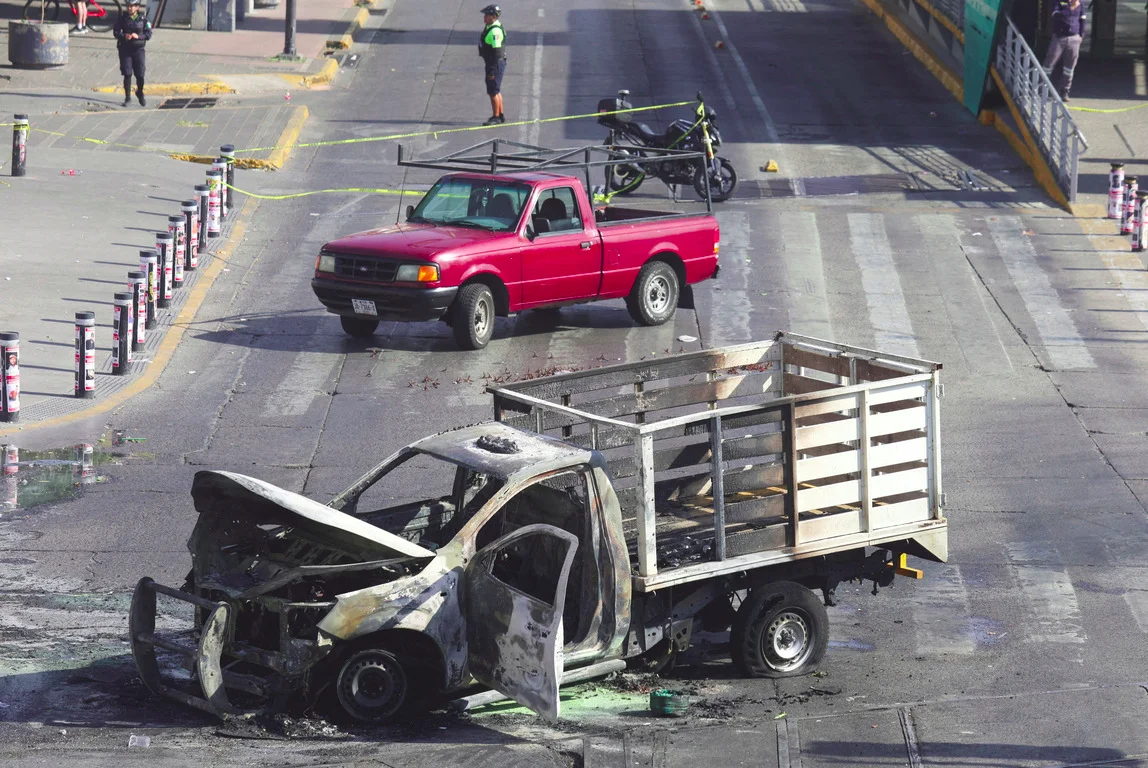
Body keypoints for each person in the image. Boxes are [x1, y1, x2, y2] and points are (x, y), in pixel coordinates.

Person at [1042, 0, 1086, 103]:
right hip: (1059, 38)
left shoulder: (1081, 3)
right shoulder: (1058, 2)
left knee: (1069, 68)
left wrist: (1081, 35)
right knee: (1048, 65)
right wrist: (1071, 7)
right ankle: (1042, 90)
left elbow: (1082, 19)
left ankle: (1065, 92)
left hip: (1074, 39)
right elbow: (1057, 16)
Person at [114, 0, 152, 107]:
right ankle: (127, 98)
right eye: (128, 6)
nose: (130, 8)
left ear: (137, 7)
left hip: (138, 50)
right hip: (125, 49)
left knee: (140, 74)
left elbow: (148, 34)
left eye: (132, 6)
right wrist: (123, 36)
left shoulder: (143, 19)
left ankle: (140, 92)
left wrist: (139, 36)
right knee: (127, 73)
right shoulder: (122, 18)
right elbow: (116, 32)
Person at [478, 4, 506, 125]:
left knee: (492, 91)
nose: (484, 17)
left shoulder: (495, 31)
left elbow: (496, 52)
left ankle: (496, 117)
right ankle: (500, 115)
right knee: (496, 90)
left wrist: (491, 70)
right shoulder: (492, 26)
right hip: (494, 63)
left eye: (487, 15)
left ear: (493, 16)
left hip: (494, 64)